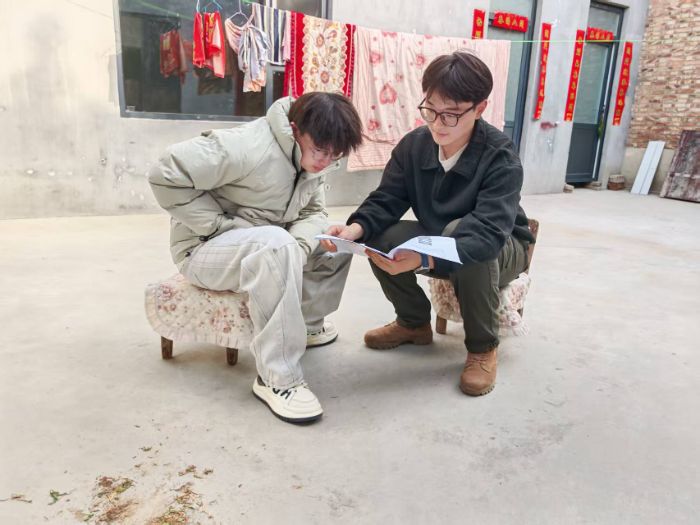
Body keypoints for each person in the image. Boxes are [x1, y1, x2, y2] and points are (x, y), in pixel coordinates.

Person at [321, 51, 535, 396]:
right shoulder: (414, 146)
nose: (438, 123)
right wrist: (354, 230)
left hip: (501, 246)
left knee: (463, 237)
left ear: (480, 108)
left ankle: (483, 348)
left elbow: (487, 234)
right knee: (381, 235)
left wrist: (424, 257)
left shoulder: (500, 155)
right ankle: (413, 323)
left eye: (451, 114)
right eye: (431, 109)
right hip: (441, 236)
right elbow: (387, 199)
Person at [148, 93, 363, 424]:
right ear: (295, 129)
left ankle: (304, 325)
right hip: (203, 249)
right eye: (320, 150)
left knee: (334, 242)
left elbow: (314, 212)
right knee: (276, 246)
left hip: (263, 241)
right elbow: (164, 173)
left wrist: (300, 247)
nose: (325, 161)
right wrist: (220, 226)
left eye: (335, 156)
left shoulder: (317, 157)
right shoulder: (246, 146)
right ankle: (278, 379)